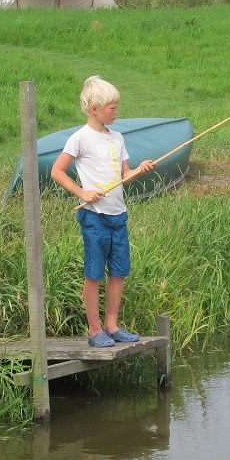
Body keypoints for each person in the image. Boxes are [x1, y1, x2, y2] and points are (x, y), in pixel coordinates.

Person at [51, 76, 156, 348]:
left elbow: (125, 175)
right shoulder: (80, 138)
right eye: (112, 107)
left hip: (118, 216)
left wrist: (139, 169)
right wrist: (83, 193)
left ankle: (112, 325)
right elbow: (57, 171)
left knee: (119, 271)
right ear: (94, 109)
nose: (117, 112)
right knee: (94, 272)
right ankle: (95, 329)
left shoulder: (117, 138)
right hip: (94, 217)